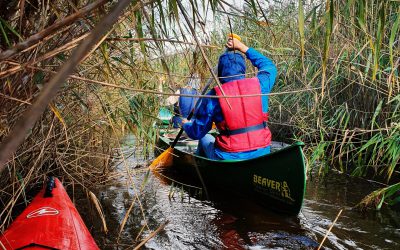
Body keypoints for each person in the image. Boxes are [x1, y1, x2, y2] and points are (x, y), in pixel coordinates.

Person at [181, 37, 277, 160]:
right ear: (243, 70)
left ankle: (200, 166)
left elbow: (196, 133)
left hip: (228, 156)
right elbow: (269, 66)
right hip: (262, 152)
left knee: (204, 137)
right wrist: (242, 47)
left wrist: (187, 125)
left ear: (220, 74)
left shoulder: (213, 96)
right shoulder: (260, 85)